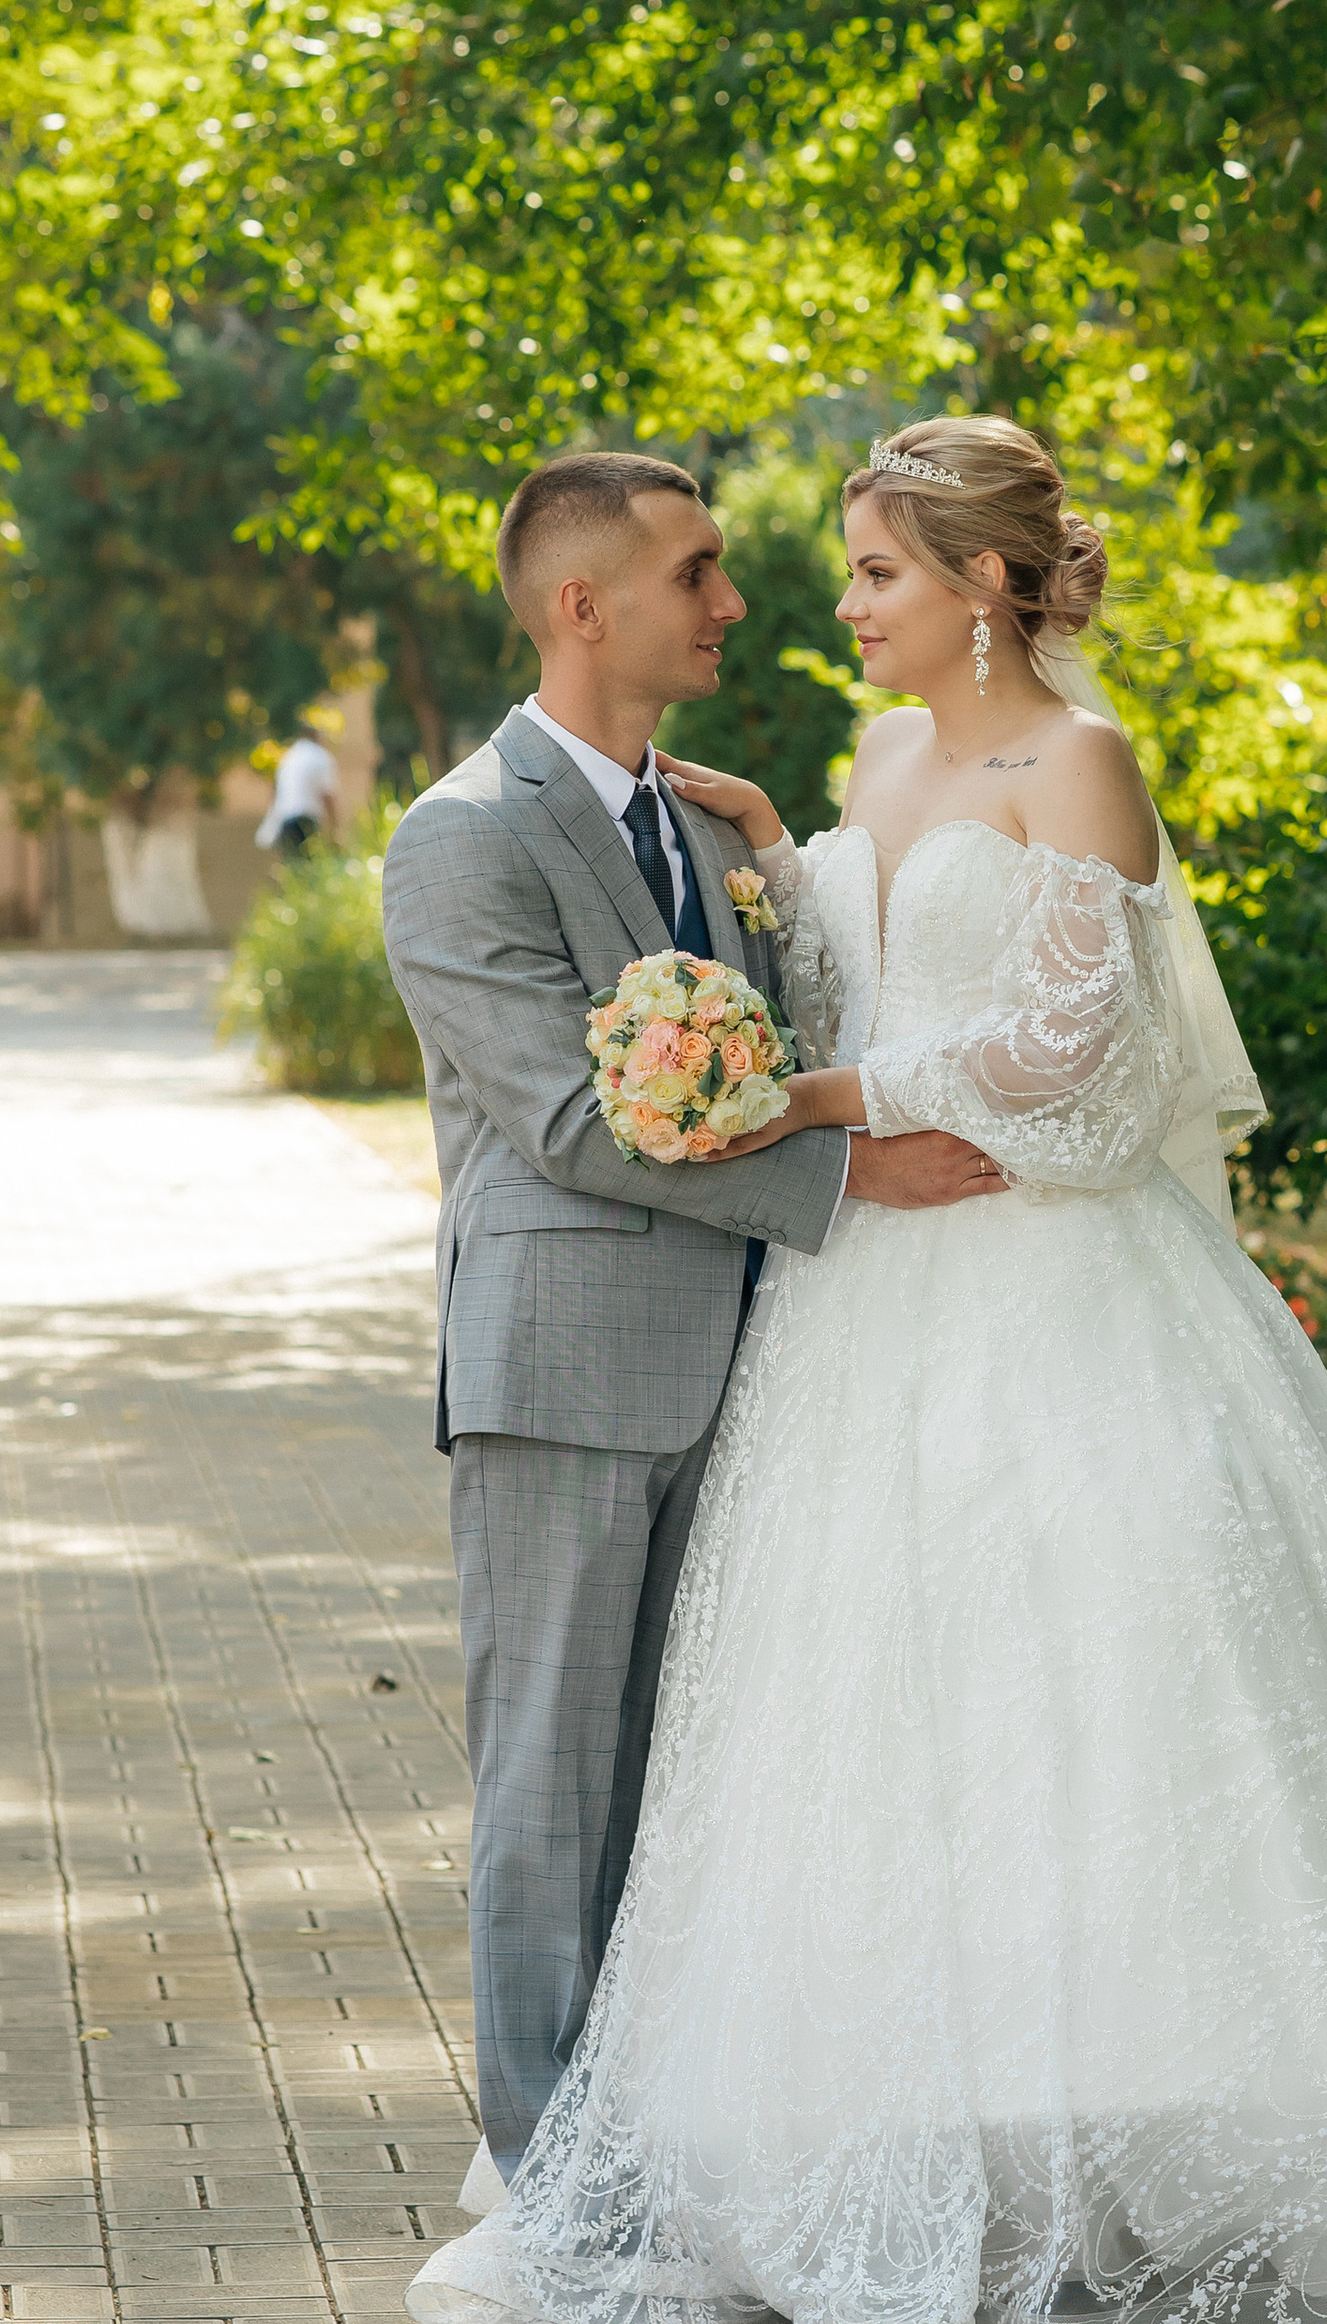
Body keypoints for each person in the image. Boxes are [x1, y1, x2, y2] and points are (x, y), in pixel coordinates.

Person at [405, 419, 1327, 2324]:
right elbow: (735, 1054)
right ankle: (648, 2159)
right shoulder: (748, 788)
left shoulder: (1073, 763)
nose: (809, 608)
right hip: (814, 1320)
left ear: (979, 582)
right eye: (774, 571)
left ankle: (1106, 2155)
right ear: (590, 598)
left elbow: (1075, 1061)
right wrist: (798, 934)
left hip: (1017, 1287)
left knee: (1082, 1710)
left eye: (865, 573)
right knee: (791, 1755)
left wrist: (831, 1094)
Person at [380, 450, 1009, 2228]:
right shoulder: (464, 840)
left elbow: (784, 1029)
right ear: (587, 605)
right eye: (701, 572)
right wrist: (850, 1174)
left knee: (681, 1791)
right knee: (552, 1792)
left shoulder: (701, 822)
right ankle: (546, 2182)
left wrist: (765, 860)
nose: (736, 602)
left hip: (753, 1361)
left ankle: (648, 2138)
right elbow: (576, 1127)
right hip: (566, 1373)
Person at [256, 725, 339, 856]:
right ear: (317, 736)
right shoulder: (320, 756)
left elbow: (275, 793)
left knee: (292, 866)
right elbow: (327, 795)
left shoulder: (288, 757)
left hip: (285, 822)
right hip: (306, 820)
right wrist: (335, 829)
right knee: (309, 867)